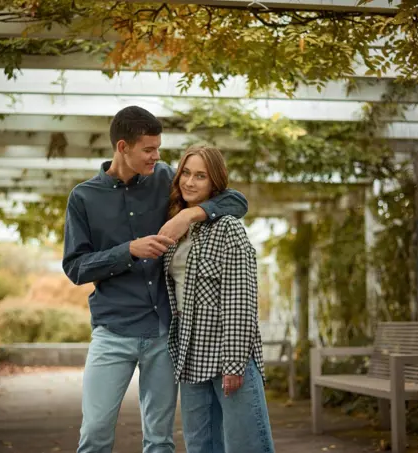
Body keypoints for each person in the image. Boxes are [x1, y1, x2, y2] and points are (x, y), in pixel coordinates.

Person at [62, 106, 249, 453]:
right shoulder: (83, 197)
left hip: (164, 333)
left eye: (158, 148)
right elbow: (75, 267)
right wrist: (128, 250)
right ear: (123, 147)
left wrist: (190, 215)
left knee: (160, 440)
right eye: (149, 149)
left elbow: (236, 200)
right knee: (95, 434)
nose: (157, 156)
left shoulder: (166, 179)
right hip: (112, 332)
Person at [163, 144, 275, 453]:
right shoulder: (178, 228)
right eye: (186, 173)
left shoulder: (228, 229)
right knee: (200, 446)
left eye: (201, 176)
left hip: (227, 351)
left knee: (247, 446)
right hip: (190, 350)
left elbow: (241, 300)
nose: (190, 182)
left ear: (215, 183)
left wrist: (235, 363)